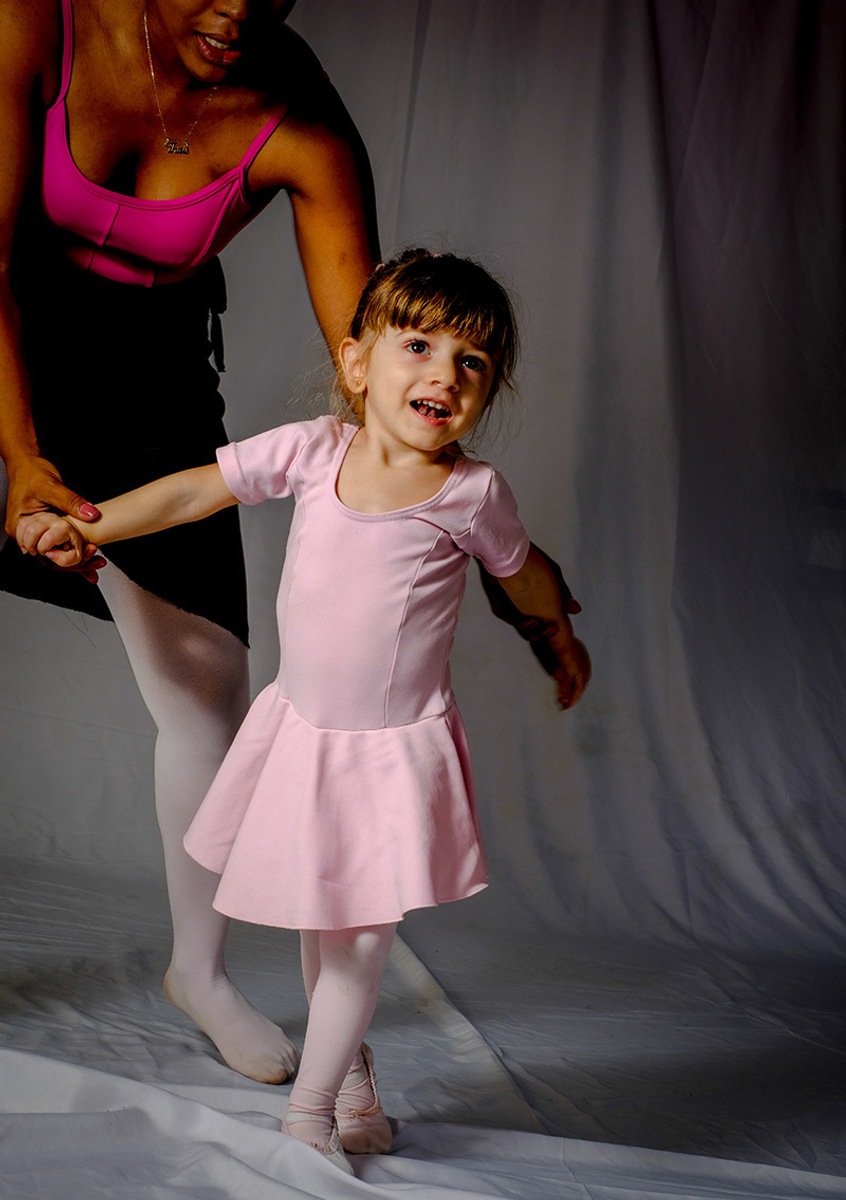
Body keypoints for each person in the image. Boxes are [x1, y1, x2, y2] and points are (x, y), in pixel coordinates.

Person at [18, 249, 592, 1171]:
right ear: (358, 364)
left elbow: (521, 573)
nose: (444, 373)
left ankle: (307, 1118)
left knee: (359, 940)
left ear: (487, 392)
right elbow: (193, 490)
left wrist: (554, 635)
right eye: (419, 345)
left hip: (390, 755)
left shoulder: (471, 494)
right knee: (320, 922)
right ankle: (352, 1072)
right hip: (305, 736)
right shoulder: (316, 450)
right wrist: (85, 525)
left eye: (473, 361)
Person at [0, 0, 379, 1085]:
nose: (237, 11)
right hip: (9, 324)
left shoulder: (300, 119)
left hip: (147, 373)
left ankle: (199, 973)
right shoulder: (37, 22)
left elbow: (373, 369)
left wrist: (462, 526)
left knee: (210, 692)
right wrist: (21, 455)